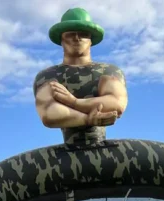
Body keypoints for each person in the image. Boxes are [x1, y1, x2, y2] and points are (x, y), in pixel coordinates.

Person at [33, 8, 128, 146]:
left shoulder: (108, 71)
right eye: (71, 34)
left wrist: (74, 102)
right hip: (67, 151)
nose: (77, 38)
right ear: (62, 40)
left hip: (102, 148)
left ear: (90, 40)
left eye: (83, 34)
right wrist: (88, 119)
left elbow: (116, 104)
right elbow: (48, 113)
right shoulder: (47, 77)